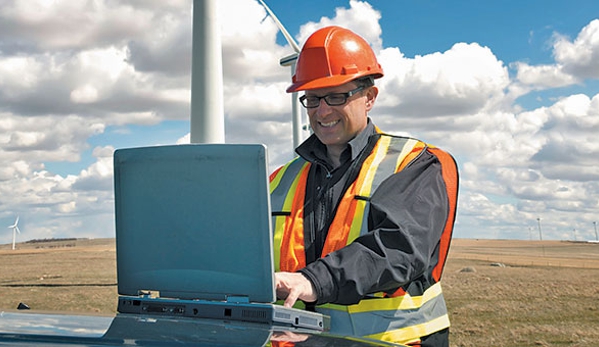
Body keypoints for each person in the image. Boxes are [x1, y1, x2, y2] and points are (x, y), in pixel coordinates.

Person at [270, 26, 459, 346]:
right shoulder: (280, 178)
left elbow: (400, 249)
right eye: (313, 99)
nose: (322, 111)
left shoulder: (412, 163)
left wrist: (312, 281)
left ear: (369, 97)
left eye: (336, 96)